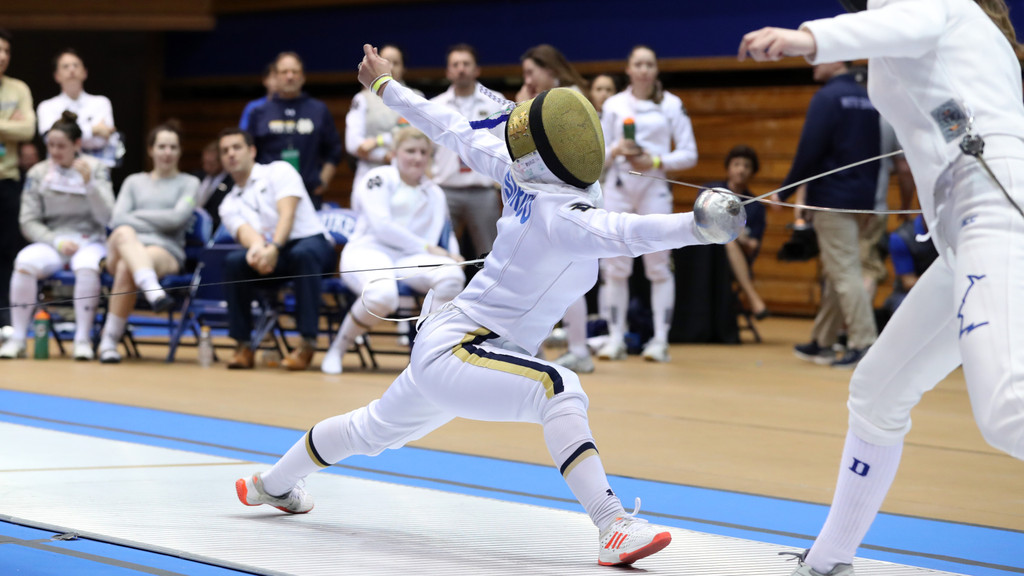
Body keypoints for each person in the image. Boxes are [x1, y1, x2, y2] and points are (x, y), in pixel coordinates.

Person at [234, 44, 746, 568]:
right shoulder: (560, 211)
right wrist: (698, 226)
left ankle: (271, 485)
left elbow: (449, 126)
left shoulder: (518, 171)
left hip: (456, 345)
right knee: (558, 386)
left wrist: (385, 86)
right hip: (463, 347)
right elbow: (630, 233)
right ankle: (614, 525)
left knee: (370, 430)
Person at [739, 1, 1024, 575]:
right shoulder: (955, 32)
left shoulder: (930, 5)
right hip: (964, 224)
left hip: (991, 206)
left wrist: (806, 38)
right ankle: (829, 560)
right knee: (876, 395)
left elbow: (910, 25)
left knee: (1006, 408)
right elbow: (945, 110)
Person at [321, 127, 465, 374]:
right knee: (383, 296)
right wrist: (429, 248)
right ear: (394, 153)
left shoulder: (435, 191)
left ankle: (425, 355)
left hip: (408, 259)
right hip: (368, 251)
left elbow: (446, 231)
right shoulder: (378, 178)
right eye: (410, 151)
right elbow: (382, 225)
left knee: (452, 276)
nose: (417, 158)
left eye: (423, 152)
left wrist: (454, 254)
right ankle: (339, 347)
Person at [596, 45, 698, 363]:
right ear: (628, 69)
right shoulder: (613, 105)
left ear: (655, 70)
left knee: (658, 267)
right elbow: (598, 153)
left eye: (649, 64)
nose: (643, 70)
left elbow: (689, 153)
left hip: (654, 190)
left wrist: (653, 159)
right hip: (618, 188)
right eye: (637, 64)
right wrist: (616, 150)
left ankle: (661, 340)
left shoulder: (671, 104)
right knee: (615, 267)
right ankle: (615, 338)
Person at [776, 60, 880, 369]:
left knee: (845, 272)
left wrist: (784, 191)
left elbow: (810, 149)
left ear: (836, 59)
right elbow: (875, 155)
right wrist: (869, 202)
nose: (812, 62)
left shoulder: (827, 97)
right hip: (860, 199)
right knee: (839, 269)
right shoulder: (867, 98)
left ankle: (865, 344)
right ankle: (822, 342)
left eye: (818, 56)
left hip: (831, 200)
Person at [217, 127, 334, 371]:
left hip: (309, 243)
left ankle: (307, 343)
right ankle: (243, 345)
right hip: (274, 253)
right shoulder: (228, 202)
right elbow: (245, 232)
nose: (231, 154)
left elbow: (287, 214)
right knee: (234, 262)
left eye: (236, 147)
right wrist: (260, 250)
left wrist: (275, 247)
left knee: (304, 254)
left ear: (252, 151)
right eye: (225, 150)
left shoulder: (279, 170)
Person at [0, 111, 114, 360]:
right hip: (54, 240)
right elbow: (28, 221)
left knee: (87, 266)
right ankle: (18, 338)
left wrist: (90, 186)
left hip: (90, 241)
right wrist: (56, 241)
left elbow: (108, 217)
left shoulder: (96, 169)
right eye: (50, 145)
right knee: (24, 263)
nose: (55, 151)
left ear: (77, 144)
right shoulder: (38, 173)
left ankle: (82, 339)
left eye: (61, 146)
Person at [97, 121, 199, 364]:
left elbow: (177, 219)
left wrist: (136, 217)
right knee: (123, 233)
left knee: (127, 266)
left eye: (173, 147)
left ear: (180, 151)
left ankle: (108, 342)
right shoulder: (134, 182)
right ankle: (153, 291)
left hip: (164, 250)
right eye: (162, 146)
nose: (167, 152)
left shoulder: (189, 183)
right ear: (151, 150)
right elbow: (118, 218)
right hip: (122, 246)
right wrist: (150, 220)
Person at [552, 73, 619, 374]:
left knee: (585, 273)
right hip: (567, 203)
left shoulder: (604, 120)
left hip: (593, 202)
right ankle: (570, 342)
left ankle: (594, 340)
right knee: (562, 276)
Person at [430, 43, 506, 267]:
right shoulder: (436, 106)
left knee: (491, 257)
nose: (461, 68)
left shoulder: (495, 100)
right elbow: (425, 149)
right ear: (447, 71)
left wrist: (498, 183)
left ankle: (493, 301)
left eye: (466, 64)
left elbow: (504, 145)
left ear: (477, 70)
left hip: (482, 190)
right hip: (445, 190)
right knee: (440, 254)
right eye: (455, 64)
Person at [248, 52, 343, 210]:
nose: (289, 76)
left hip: (309, 194)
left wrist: (324, 180)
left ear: (303, 76)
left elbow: (334, 150)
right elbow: (249, 153)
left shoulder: (318, 110)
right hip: (268, 195)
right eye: (284, 72)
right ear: (276, 77)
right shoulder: (259, 112)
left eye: (295, 71)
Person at [346, 44, 418, 195]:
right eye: (385, 61)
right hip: (369, 175)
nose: (390, 66)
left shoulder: (416, 98)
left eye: (396, 63)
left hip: (407, 178)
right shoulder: (362, 98)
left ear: (404, 68)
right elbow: (353, 143)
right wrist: (383, 155)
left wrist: (377, 141)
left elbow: (412, 135)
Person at [707, 145, 769, 319]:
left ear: (753, 172)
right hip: (705, 253)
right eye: (737, 164)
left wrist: (743, 239)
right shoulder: (711, 193)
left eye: (747, 166)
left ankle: (752, 298)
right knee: (726, 239)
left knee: (729, 241)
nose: (741, 170)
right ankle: (754, 299)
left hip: (732, 260)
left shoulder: (756, 207)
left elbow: (753, 248)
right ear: (728, 167)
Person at [0, 28, 35, 329]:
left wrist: (15, 128)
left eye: (6, 51)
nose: (2, 56)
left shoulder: (18, 89)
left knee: (7, 251)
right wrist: (8, 124)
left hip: (7, 180)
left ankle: (5, 318)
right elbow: (16, 129)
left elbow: (28, 131)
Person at [36, 49, 120, 166]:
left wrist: (65, 134)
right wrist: (94, 130)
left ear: (85, 72)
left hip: (95, 173)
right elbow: (51, 140)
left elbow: (103, 140)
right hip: (58, 175)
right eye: (65, 66)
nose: (71, 69)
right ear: (57, 76)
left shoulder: (101, 102)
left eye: (76, 65)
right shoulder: (46, 106)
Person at [515, 44, 588, 102]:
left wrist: (523, 105)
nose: (527, 82)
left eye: (530, 73)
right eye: (524, 76)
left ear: (550, 69)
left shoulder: (570, 95)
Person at [194, 140, 234, 232]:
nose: (207, 167)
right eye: (205, 162)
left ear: (221, 162)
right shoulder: (197, 177)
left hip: (214, 228)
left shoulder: (231, 182)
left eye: (211, 164)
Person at [239, 63, 276, 132]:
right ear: (265, 80)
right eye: (274, 77)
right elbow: (244, 134)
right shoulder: (253, 107)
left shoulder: (294, 105)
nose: (278, 81)